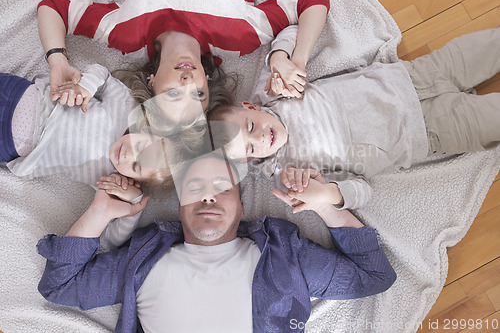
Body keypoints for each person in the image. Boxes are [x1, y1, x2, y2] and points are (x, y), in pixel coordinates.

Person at [37, 152, 397, 333]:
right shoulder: (143, 259)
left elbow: (374, 275)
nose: (208, 198)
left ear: (242, 207)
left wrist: (324, 206)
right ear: (179, 208)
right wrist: (100, 211)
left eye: (222, 189)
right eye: (195, 189)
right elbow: (60, 285)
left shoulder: (283, 255)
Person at [209, 27, 500, 210]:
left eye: (249, 126)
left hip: (413, 77)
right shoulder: (291, 174)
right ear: (249, 161)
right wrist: (326, 193)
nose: (260, 137)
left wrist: (281, 59)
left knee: (488, 46)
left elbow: (291, 30)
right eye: (250, 148)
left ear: (251, 107)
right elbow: (362, 192)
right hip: (429, 132)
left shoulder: (271, 91)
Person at [37, 0, 330, 119]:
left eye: (174, 94)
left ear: (151, 83)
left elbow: (53, 9)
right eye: (199, 94)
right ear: (207, 80)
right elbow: (313, 0)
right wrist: (298, 60)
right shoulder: (239, 37)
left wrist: (57, 60)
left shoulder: (125, 34)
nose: (188, 84)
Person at [1, 64, 173, 190]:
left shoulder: (109, 179)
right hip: (25, 97)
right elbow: (103, 74)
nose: (129, 155)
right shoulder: (127, 108)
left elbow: (112, 235)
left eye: (136, 166)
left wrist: (133, 201)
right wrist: (86, 88)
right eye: (140, 146)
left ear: (135, 179)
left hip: (12, 143)